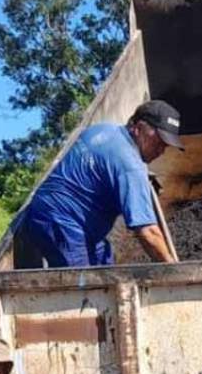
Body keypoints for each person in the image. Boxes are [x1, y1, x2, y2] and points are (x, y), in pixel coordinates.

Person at [13, 99, 184, 269]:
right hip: (62, 221)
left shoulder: (104, 130)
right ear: (138, 128)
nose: (162, 151)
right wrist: (174, 270)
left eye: (166, 146)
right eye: (159, 142)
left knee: (106, 267)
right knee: (87, 288)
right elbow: (148, 232)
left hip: (52, 214)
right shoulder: (130, 165)